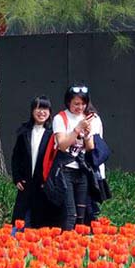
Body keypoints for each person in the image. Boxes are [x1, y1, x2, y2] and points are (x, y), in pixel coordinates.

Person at [51, 83, 105, 230]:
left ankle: (79, 247)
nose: (80, 107)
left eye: (83, 104)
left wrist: (87, 135)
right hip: (65, 170)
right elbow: (62, 145)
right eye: (76, 103)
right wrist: (77, 129)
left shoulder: (89, 118)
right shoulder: (60, 118)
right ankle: (66, 245)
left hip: (82, 170)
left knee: (82, 214)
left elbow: (90, 147)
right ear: (68, 102)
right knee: (71, 214)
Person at [10, 96, 55, 231]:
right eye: (38, 108)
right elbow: (16, 157)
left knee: (42, 220)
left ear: (49, 112)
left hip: (43, 184)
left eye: (45, 108)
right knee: (21, 218)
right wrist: (17, 177)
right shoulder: (24, 132)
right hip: (26, 183)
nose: (42, 112)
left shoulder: (53, 134)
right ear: (32, 111)